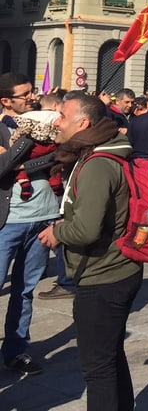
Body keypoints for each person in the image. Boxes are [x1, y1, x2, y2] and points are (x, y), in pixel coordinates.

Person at [38, 92, 142, 409]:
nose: (57, 122)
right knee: (109, 356)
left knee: (97, 370)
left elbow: (85, 230)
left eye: (62, 117)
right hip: (116, 270)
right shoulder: (95, 154)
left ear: (82, 123)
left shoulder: (97, 165)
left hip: (103, 276)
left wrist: (57, 231)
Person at [0, 73, 58, 375]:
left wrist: (23, 162)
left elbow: (59, 155)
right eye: (25, 95)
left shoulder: (49, 122)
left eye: (33, 92)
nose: (33, 97)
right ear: (6, 101)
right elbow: (1, 168)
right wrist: (28, 144)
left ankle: (16, 350)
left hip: (41, 217)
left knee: (24, 290)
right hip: (6, 222)